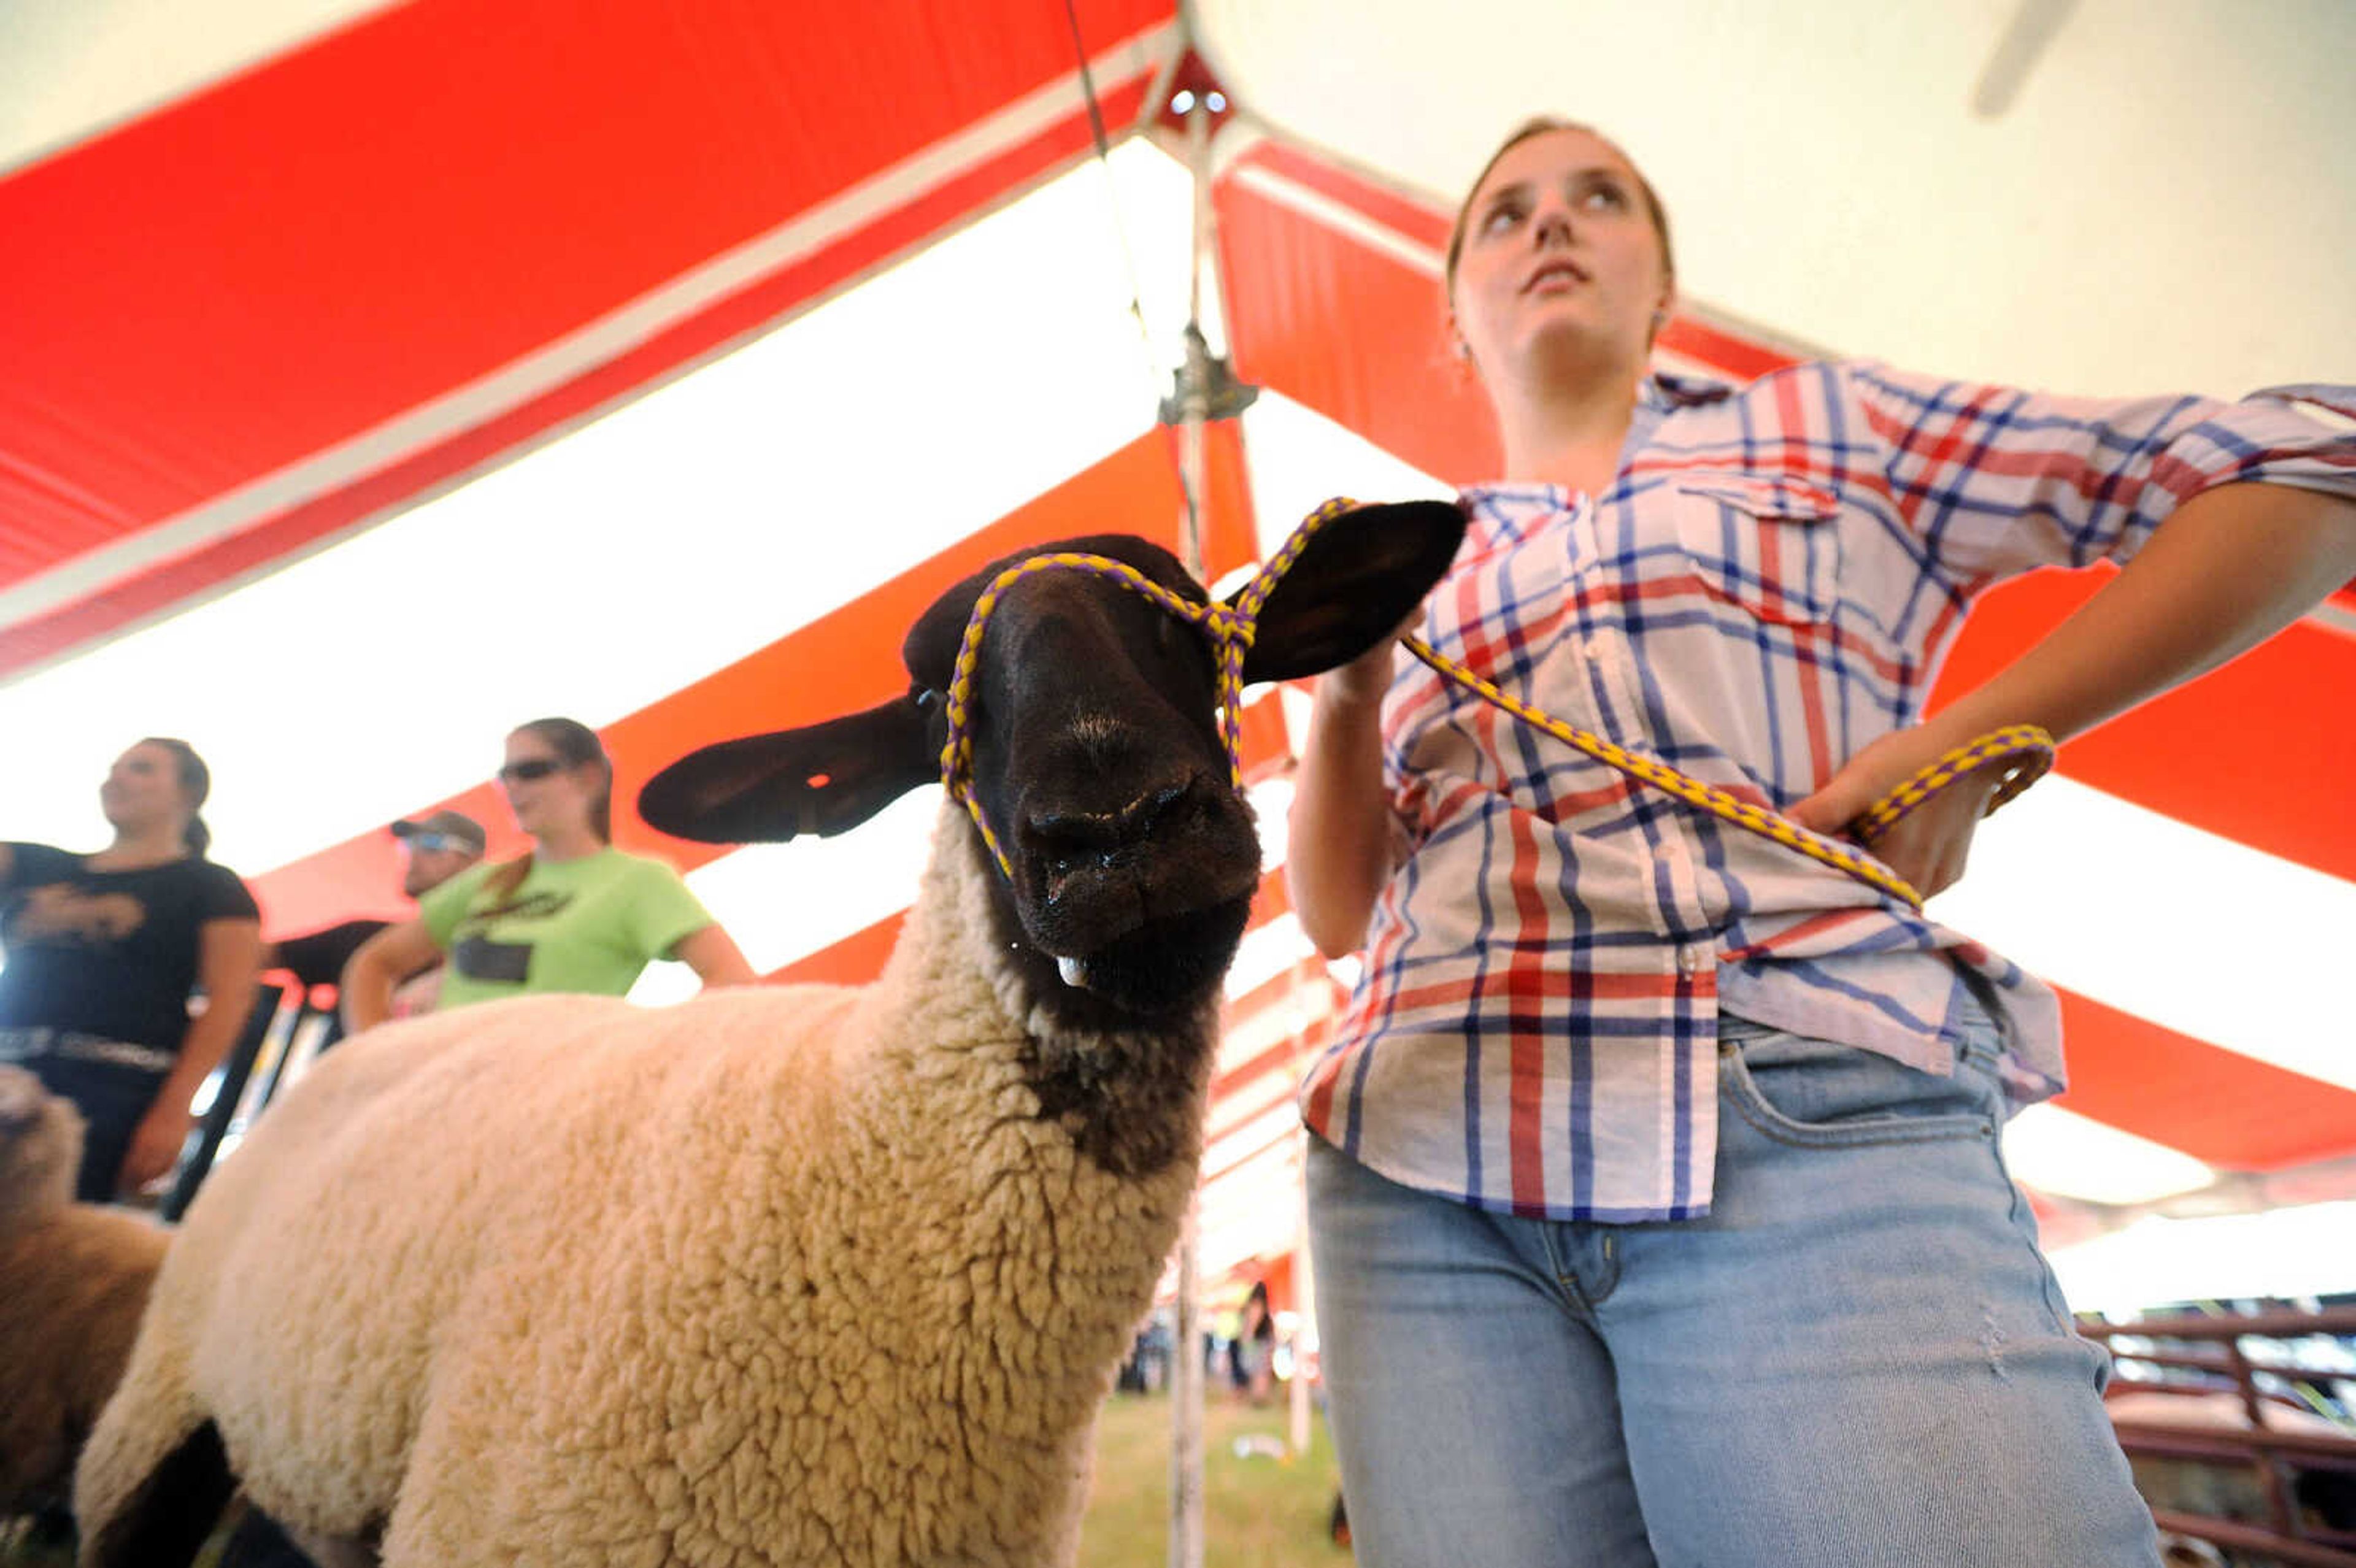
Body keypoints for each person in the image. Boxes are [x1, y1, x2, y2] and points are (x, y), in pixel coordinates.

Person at [1284, 117, 2356, 1568]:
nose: (1548, 226)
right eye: (1503, 215)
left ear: (1659, 286)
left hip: (1794, 1102)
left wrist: (1978, 734)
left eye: (1596, 200)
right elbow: (1340, 914)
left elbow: (2308, 460)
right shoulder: (1408, 556)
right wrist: (1346, 686)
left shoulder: (1825, 428)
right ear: (1454, 320)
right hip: (1417, 1175)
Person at [341, 718, 756, 1031]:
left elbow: (733, 979)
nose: (513, 787)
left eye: (531, 771)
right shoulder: (489, 880)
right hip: (434, 1090)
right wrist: (375, 1055)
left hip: (536, 1104)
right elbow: (374, 964)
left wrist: (639, 1054)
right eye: (506, 776)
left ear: (589, 776)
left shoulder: (639, 880)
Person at [0, 739, 263, 1202]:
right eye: (113, 768)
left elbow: (230, 999)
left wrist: (174, 1108)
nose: (116, 778)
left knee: (41, 1249)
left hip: (109, 1095)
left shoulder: (210, 888)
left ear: (189, 793)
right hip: (7, 1067)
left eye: (140, 769)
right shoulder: (34, 865)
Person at [266, 810, 486, 1017]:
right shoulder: (365, 938)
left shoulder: (490, 949)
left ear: (475, 862)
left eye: (432, 844)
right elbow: (264, 955)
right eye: (409, 844)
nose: (414, 854)